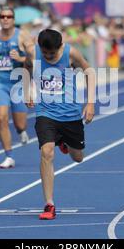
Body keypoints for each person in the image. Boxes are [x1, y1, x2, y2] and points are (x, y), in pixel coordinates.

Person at [23, 29, 95, 220]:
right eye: (45, 53)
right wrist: (27, 89)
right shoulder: (33, 52)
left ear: (60, 47)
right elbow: (26, 67)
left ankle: (64, 142)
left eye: (51, 54)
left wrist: (90, 103)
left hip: (70, 114)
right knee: (46, 152)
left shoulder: (71, 53)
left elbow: (89, 71)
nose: (48, 57)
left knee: (78, 157)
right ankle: (49, 204)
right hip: (45, 112)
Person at [0, 6, 32, 169]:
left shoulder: (22, 36)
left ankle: (21, 131)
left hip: (17, 84)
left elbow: (34, 57)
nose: (5, 19)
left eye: (8, 16)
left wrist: (21, 57)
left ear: (13, 19)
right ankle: (9, 156)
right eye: (2, 16)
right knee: (1, 117)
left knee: (20, 124)